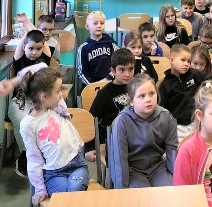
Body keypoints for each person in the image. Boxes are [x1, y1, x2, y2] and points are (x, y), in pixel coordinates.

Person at [17, 67, 89, 205]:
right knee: (67, 199)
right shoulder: (27, 125)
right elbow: (34, 159)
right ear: (44, 96)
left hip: (77, 165)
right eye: (58, 90)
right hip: (54, 173)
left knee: (74, 190)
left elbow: (42, 69)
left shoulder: (57, 107)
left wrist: (40, 79)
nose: (61, 94)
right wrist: (40, 190)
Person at [109, 74, 178, 188]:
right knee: (143, 196)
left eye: (152, 94)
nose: (148, 99)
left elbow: (172, 152)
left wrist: (178, 182)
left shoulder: (166, 117)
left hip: (157, 167)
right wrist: (122, 190)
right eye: (141, 96)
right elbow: (119, 161)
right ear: (131, 101)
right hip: (133, 171)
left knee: (168, 192)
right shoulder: (121, 122)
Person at [8, 29, 52, 176]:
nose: (34, 52)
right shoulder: (20, 60)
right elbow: (26, 42)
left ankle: (39, 156)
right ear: (24, 47)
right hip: (21, 100)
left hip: (39, 101)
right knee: (22, 121)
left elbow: (41, 39)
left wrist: (30, 26)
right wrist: (26, 31)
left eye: (38, 49)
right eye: (31, 48)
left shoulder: (44, 61)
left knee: (44, 122)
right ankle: (26, 154)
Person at [84, 48, 135, 160]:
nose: (127, 74)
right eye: (122, 70)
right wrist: (88, 148)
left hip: (135, 133)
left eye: (130, 69)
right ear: (113, 70)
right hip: (114, 138)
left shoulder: (136, 88)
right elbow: (92, 119)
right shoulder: (105, 93)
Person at [158, 43, 210, 140]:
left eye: (189, 61)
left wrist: (208, 86)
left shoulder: (192, 73)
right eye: (183, 60)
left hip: (196, 122)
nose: (186, 64)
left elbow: (209, 78)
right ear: (172, 60)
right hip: (177, 127)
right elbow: (160, 110)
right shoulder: (165, 85)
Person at [77, 11, 117, 88]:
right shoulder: (83, 48)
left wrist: (107, 79)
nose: (99, 26)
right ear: (87, 26)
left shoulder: (111, 44)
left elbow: (117, 64)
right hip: (90, 86)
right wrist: (93, 86)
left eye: (102, 23)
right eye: (95, 23)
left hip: (109, 83)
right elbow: (82, 72)